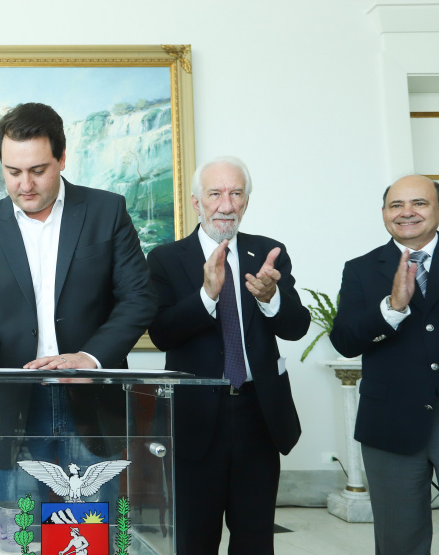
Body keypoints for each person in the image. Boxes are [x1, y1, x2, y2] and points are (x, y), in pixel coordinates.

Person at [0, 102, 156, 509]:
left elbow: (139, 298)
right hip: (15, 400)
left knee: (91, 529)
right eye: (13, 171)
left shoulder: (107, 211)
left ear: (62, 158)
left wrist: (90, 357)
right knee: (22, 533)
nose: (25, 185)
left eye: (38, 170)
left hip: (91, 394)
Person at [147, 156, 310, 554]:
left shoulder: (270, 253)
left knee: (255, 539)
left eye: (236, 193)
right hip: (194, 420)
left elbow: (297, 326)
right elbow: (161, 333)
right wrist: (207, 296)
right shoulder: (166, 259)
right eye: (215, 194)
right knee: (194, 540)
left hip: (258, 414)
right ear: (196, 202)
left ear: (247, 202)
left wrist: (271, 299)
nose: (226, 204)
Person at [331, 174, 439, 555]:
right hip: (391, 426)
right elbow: (343, 339)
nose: (407, 212)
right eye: (396, 205)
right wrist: (392, 308)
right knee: (399, 543)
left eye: (419, 203)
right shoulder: (361, 269)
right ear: (383, 214)